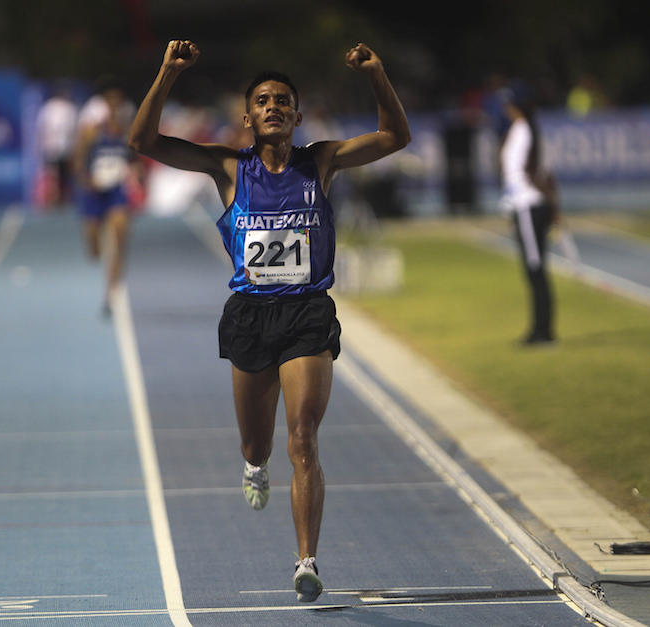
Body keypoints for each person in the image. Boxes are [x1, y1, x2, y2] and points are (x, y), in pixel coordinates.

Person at [128, 39, 410, 602]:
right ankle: (252, 465)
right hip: (250, 317)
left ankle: (306, 560)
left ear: (298, 115)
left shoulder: (321, 161)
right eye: (262, 100)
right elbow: (142, 142)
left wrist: (377, 74)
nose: (273, 106)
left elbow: (394, 138)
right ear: (248, 115)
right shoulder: (227, 167)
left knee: (302, 437)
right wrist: (166, 71)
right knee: (257, 445)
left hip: (307, 312)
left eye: (283, 100)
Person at [497, 82, 557, 346]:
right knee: (534, 271)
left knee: (535, 270)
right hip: (525, 206)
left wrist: (546, 202)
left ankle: (543, 332)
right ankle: (540, 330)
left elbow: (534, 173)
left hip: (529, 207)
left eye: (509, 103)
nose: (505, 108)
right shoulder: (525, 130)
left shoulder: (523, 130)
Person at [74, 77, 139, 317]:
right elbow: (78, 161)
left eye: (118, 103)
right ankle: (99, 255)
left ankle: (111, 294)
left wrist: (137, 177)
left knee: (118, 242)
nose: (114, 107)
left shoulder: (127, 134)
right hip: (94, 193)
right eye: (109, 102)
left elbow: (135, 162)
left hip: (117, 193)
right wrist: (87, 180)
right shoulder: (92, 133)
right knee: (94, 249)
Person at [36, 84, 78, 207]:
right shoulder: (51, 108)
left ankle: (60, 198)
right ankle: (55, 198)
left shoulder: (63, 108)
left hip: (60, 148)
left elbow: (41, 129)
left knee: (61, 176)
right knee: (56, 176)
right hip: (56, 147)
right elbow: (42, 129)